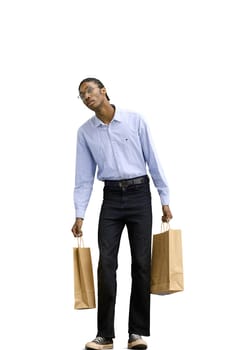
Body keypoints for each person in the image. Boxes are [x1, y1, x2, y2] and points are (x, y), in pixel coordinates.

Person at [71, 77, 173, 350]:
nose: (86, 97)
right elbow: (83, 177)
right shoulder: (85, 133)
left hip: (140, 195)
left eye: (89, 91)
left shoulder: (134, 120)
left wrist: (164, 198)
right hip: (111, 199)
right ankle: (104, 335)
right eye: (81, 95)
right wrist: (79, 214)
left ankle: (136, 333)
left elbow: (153, 159)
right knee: (106, 265)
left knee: (141, 264)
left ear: (103, 91)